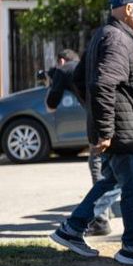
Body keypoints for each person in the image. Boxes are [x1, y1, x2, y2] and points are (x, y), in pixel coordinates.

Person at [49, 0, 133, 266]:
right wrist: (104, 130)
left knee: (111, 182)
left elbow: (78, 78)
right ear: (128, 9)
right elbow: (101, 85)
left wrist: (100, 119)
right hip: (123, 131)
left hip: (124, 126)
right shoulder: (117, 39)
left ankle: (72, 229)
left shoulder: (107, 34)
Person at [45, 49, 121, 237]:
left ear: (61, 61)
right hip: (110, 116)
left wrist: (51, 81)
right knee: (110, 167)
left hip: (98, 120)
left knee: (100, 167)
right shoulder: (84, 66)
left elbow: (51, 105)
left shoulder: (63, 70)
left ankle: (100, 219)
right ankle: (103, 216)